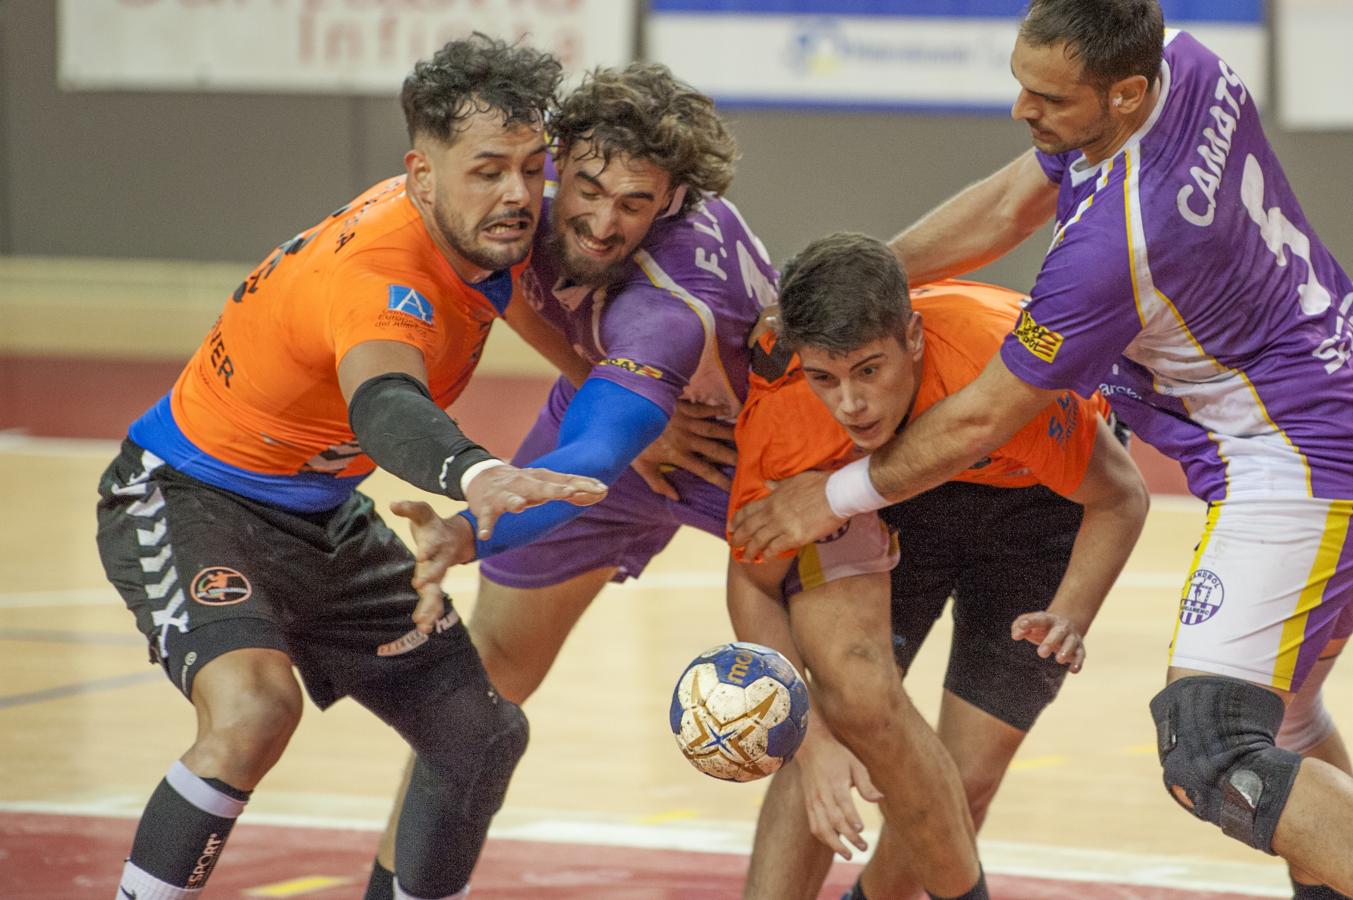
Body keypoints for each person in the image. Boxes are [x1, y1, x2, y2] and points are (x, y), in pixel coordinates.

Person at [729, 2, 1353, 896]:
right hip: (1325, 379)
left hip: (1294, 457)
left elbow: (983, 419)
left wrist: (826, 498)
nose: (1022, 109)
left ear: (1126, 92)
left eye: (1047, 97)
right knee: (1284, 720)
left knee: (1210, 745)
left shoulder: (1112, 249)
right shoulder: (1182, 56)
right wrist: (847, 294)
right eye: (1020, 82)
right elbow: (1020, 193)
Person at [96, 35, 611, 900]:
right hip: (189, 494)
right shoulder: (378, 265)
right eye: (488, 169)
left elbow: (515, 298)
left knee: (481, 737)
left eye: (533, 167)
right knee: (256, 710)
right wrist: (477, 474)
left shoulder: (487, 227)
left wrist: (601, 384)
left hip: (321, 515)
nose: (519, 194)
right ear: (419, 173)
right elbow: (385, 405)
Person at [360, 62, 775, 897]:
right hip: (620, 412)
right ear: (557, 160)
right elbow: (518, 299)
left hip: (746, 455)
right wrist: (599, 386)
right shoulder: (520, 210)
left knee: (828, 705)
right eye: (587, 187)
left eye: (633, 202)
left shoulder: (673, 302)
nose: (600, 220)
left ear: (671, 199)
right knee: (486, 675)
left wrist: (471, 528)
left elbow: (592, 454)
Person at [726, 233, 1148, 900]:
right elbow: (750, 582)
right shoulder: (785, 413)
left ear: (913, 338)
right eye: (824, 378)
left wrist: (1071, 610)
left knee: (965, 779)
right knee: (843, 706)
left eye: (869, 370)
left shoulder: (1010, 369)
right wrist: (807, 745)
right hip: (891, 499)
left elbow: (1121, 496)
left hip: (1042, 509)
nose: (850, 405)